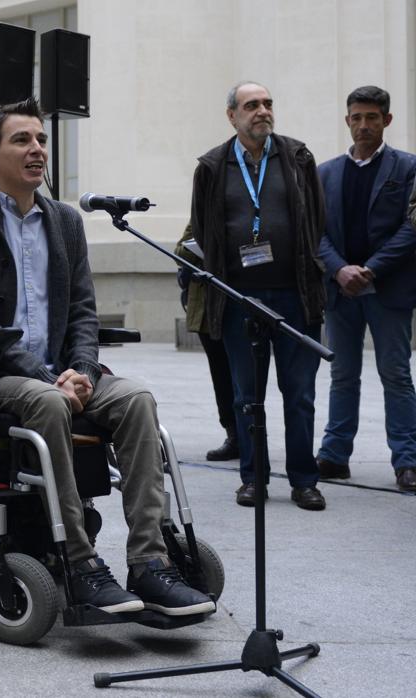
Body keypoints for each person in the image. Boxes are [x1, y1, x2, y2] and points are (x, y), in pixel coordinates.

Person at [0, 98, 215, 617]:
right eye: (22, 140)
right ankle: (80, 563)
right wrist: (49, 377)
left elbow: (85, 312)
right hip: (0, 375)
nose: (37, 149)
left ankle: (150, 563)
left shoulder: (65, 221)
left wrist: (84, 372)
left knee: (135, 399)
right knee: (49, 402)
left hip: (66, 373)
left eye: (41, 140)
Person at [190, 81, 327, 511]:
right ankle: (253, 479)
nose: (263, 111)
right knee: (247, 396)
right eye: (252, 105)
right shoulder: (212, 166)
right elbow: (203, 229)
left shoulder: (298, 156)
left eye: (268, 103)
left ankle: (305, 480)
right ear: (232, 115)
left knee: (300, 394)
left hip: (295, 296)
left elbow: (317, 221)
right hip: (239, 299)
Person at [314, 86, 416, 492]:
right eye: (356, 117)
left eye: (372, 117)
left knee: (395, 374)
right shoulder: (325, 173)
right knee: (342, 375)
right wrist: (339, 270)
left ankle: (407, 460)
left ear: (386, 121)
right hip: (340, 292)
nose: (363, 125)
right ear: (347, 121)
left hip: (387, 289)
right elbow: (314, 232)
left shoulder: (408, 169)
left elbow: (412, 229)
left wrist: (369, 270)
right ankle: (335, 456)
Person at [175, 223, 239, 461]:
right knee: (221, 374)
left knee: (244, 376)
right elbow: (180, 251)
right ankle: (233, 434)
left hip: (240, 301)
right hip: (207, 309)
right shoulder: (200, 213)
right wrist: (210, 246)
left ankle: (250, 434)